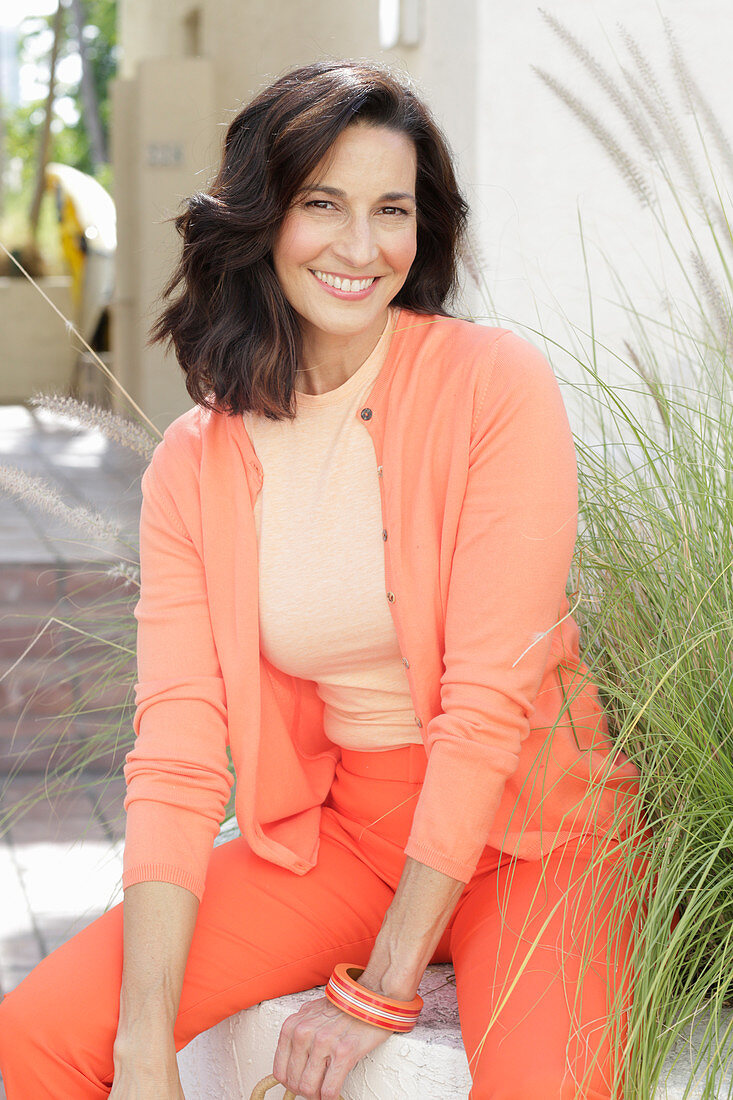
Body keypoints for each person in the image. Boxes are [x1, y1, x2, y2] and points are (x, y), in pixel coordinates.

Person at [0, 59, 645, 1099]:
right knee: (33, 1036)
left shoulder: (491, 387)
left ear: (422, 229)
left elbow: (485, 712)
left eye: (391, 210)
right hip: (346, 834)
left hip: (535, 833)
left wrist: (382, 985)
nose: (359, 246)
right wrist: (143, 1047)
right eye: (322, 205)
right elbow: (173, 752)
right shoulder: (196, 463)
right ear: (264, 219)